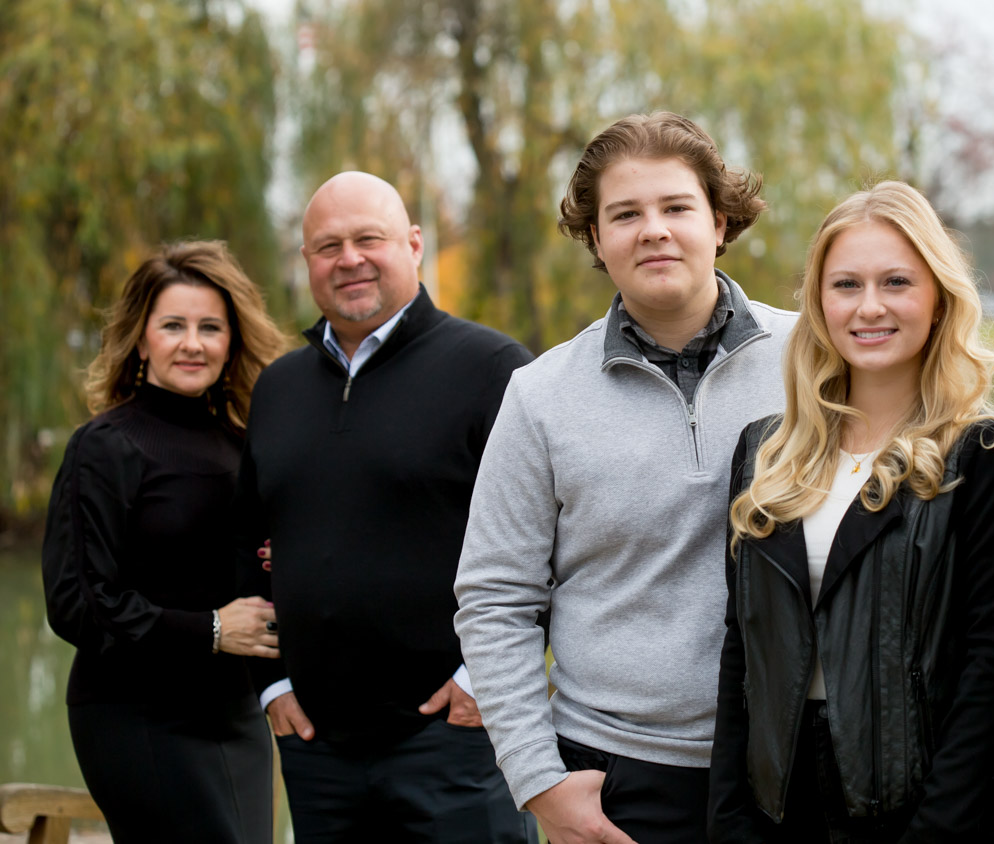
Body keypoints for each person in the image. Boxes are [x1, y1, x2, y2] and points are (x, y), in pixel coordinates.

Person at [453, 112, 797, 844]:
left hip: (797, 764)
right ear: (595, 237)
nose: (654, 231)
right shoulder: (540, 396)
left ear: (720, 222)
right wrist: (539, 783)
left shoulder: (814, 359)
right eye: (626, 214)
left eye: (677, 207)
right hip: (618, 782)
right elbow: (495, 599)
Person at [709, 181, 994, 843]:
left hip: (927, 806)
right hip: (780, 808)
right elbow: (742, 647)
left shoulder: (981, 450)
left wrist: (937, 826)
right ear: (819, 303)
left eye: (896, 282)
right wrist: (730, 816)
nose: (869, 306)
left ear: (938, 299)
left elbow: (991, 660)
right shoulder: (765, 454)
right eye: (846, 284)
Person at [234, 171, 535, 843]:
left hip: (457, 737)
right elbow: (246, 544)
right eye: (328, 246)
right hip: (316, 749)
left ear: (414, 244)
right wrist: (271, 685)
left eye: (369, 239)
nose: (349, 259)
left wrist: (482, 680)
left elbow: (549, 541)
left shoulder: (491, 369)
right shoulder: (278, 388)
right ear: (306, 260)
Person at [42, 241, 287, 844]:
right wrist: (210, 629)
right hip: (136, 715)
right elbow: (79, 603)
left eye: (211, 327)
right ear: (141, 338)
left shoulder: (246, 446)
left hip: (236, 715)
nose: (193, 343)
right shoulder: (104, 447)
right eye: (173, 325)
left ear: (232, 340)